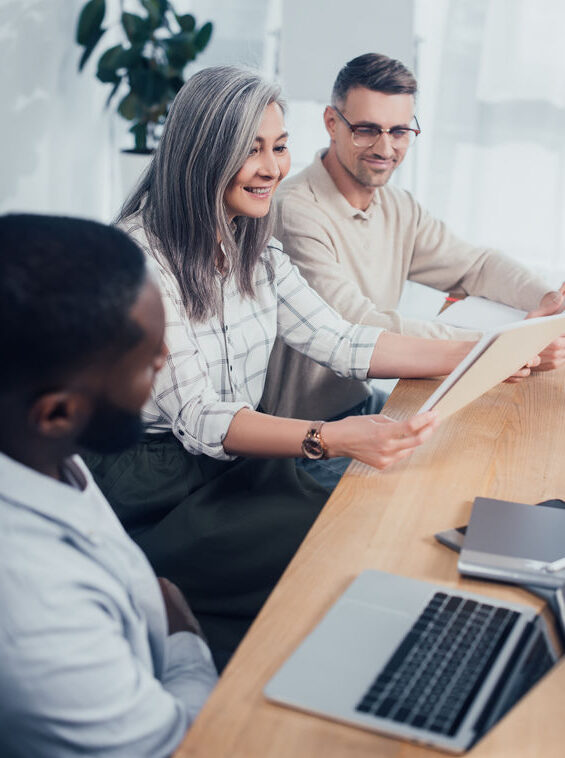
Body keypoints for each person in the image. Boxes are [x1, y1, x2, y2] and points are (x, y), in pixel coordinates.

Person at [85, 65, 534, 669]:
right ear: (203, 153)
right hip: (160, 485)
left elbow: (342, 339)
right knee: (340, 552)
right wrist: (330, 438)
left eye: (279, 145)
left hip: (242, 466)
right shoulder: (143, 257)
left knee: (368, 531)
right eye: (252, 149)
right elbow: (201, 419)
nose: (272, 167)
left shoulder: (252, 244)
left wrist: (485, 353)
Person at [0, 214, 217, 758]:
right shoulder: (31, 610)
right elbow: (177, 747)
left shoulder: (38, 448)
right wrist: (183, 632)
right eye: (148, 363)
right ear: (57, 413)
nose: (164, 364)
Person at [261, 52, 565, 422]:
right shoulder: (293, 211)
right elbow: (359, 327)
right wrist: (501, 347)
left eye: (400, 131)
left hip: (362, 404)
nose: (385, 149)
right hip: (304, 435)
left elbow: (476, 265)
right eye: (367, 129)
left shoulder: (397, 206)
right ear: (331, 122)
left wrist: (549, 301)